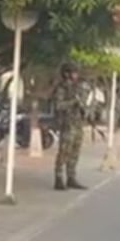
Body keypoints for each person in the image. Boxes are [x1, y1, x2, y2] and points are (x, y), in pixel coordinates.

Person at [50, 61, 90, 190]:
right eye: (74, 72)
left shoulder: (77, 87)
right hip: (67, 124)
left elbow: (83, 104)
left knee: (75, 152)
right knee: (64, 152)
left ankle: (71, 177)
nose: (76, 75)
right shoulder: (61, 88)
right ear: (66, 74)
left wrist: (83, 107)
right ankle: (59, 178)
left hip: (77, 123)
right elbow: (58, 105)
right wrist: (73, 102)